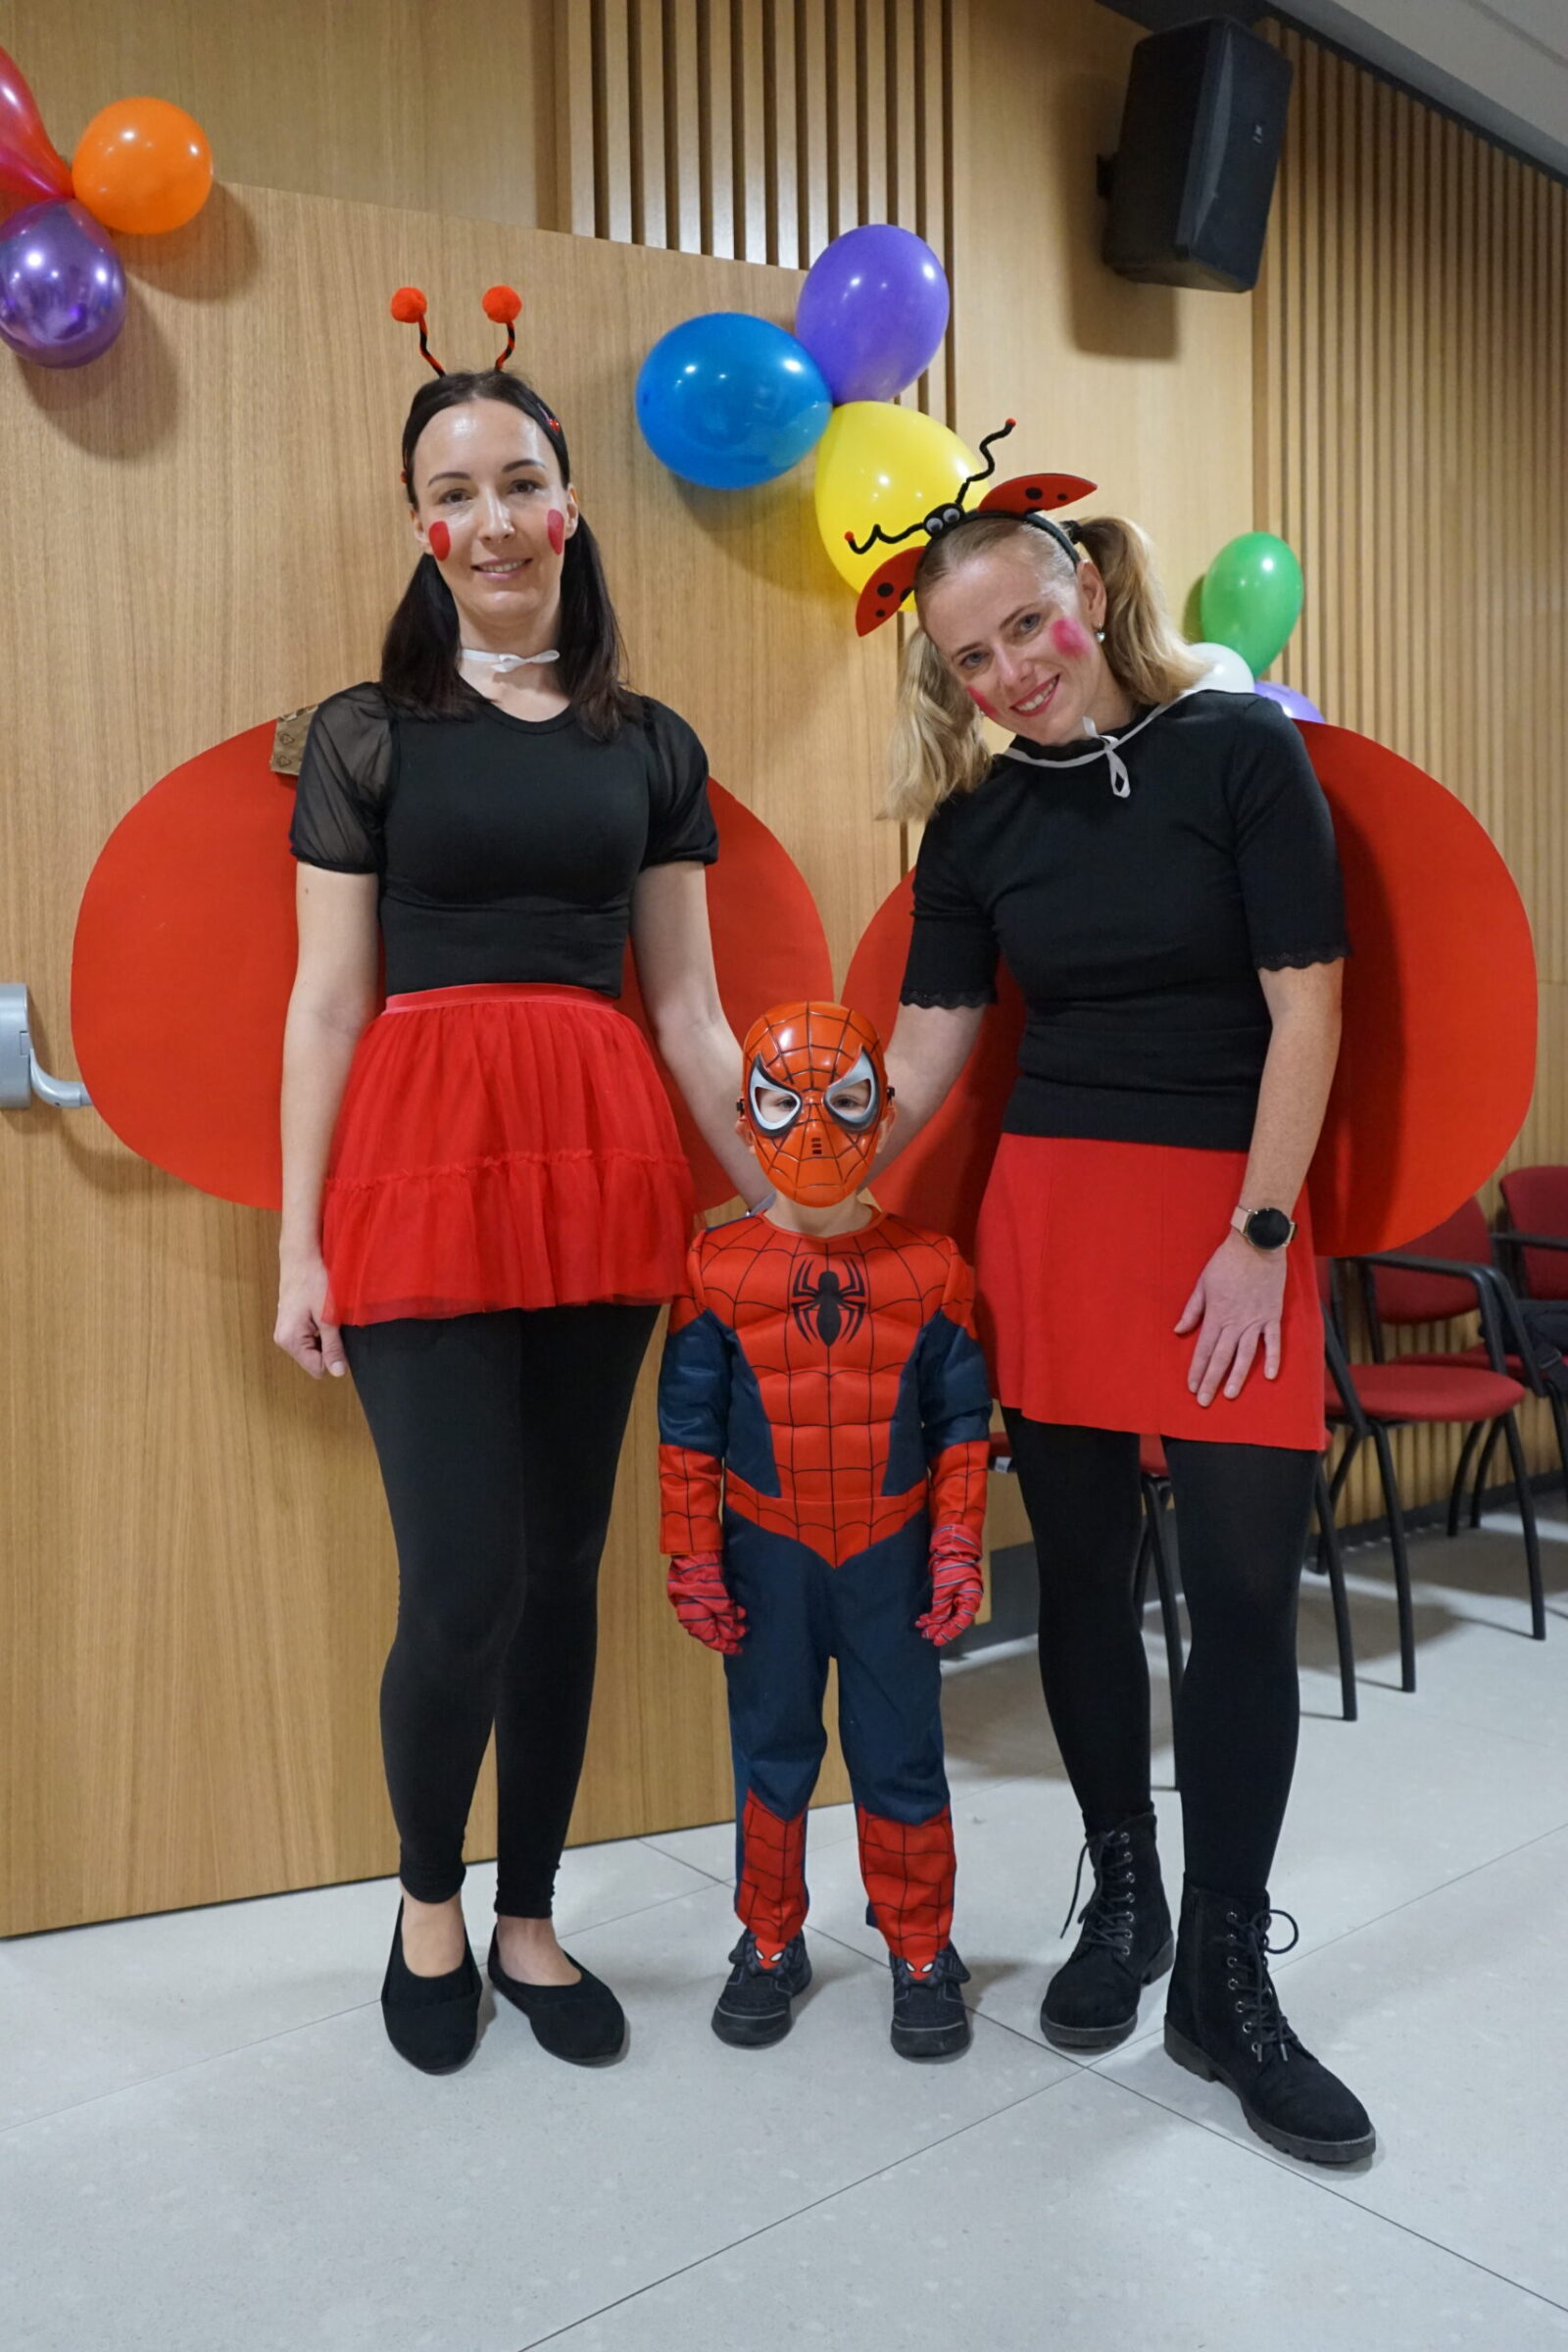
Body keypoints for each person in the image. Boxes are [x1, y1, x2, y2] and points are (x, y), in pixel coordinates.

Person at [868, 445, 1375, 2164]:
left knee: (1239, 1598)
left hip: (1233, 1211)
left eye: (1029, 625)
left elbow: (1308, 1009)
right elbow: (926, 1052)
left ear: (1083, 588)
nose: (1013, 671)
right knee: (1081, 1582)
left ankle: (1227, 1980)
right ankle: (1127, 1897)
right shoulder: (977, 826)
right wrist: (798, 1170)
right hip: (1056, 1217)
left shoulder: (1238, 751)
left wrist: (1259, 1231)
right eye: (974, 658)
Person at [274, 288, 759, 2076]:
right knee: (462, 1579)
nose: (490, 519)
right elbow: (327, 1004)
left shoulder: (652, 742)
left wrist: (789, 1195)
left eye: (518, 483)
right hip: (418, 1166)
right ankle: (427, 1901)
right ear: (422, 526)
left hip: (603, 1166)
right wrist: (296, 1245)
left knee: (564, 1568)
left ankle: (533, 1916)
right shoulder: (364, 732)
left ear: (567, 507)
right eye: (453, 491)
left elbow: (689, 1009)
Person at [658, 1002, 993, 2059]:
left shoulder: (933, 1266)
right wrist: (692, 1556)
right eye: (783, 1104)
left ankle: (920, 1947)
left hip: (891, 1557)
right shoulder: (714, 1269)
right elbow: (685, 1433)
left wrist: (956, 1546)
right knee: (772, 1753)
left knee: (902, 1756)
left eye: (844, 1103)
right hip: (766, 1556)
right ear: (745, 1119)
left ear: (882, 1114)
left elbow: (963, 1428)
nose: (814, 1132)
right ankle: (768, 1939)